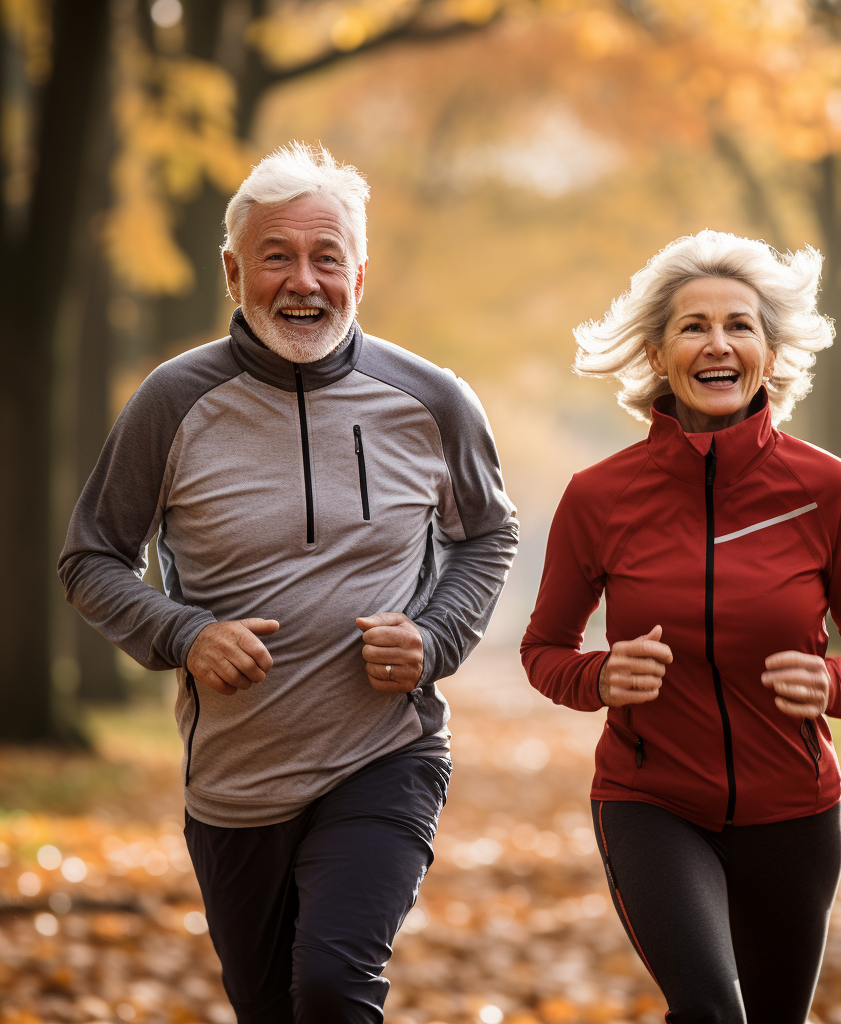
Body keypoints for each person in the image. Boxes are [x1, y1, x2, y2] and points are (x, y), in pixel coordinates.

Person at [59, 141, 518, 1024]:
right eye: (276, 257)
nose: (303, 282)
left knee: (336, 991)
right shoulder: (172, 402)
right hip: (235, 784)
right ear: (234, 272)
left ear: (360, 271)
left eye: (326, 258)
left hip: (385, 755)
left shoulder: (432, 401)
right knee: (271, 1007)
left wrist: (435, 639)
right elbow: (90, 560)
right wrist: (185, 634)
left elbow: (486, 534)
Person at [520, 230, 841, 1024]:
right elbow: (543, 650)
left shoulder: (826, 489)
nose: (718, 343)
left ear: (770, 352)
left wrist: (834, 681)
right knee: (707, 1009)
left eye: (740, 325)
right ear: (659, 355)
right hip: (650, 801)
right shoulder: (601, 496)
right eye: (693, 326)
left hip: (794, 811)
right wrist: (598, 677)